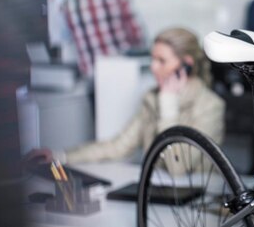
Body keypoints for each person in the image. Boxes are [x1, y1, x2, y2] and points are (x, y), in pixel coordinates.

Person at [28, 28, 225, 175]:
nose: (154, 67)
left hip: (197, 203)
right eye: (152, 59)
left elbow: (178, 168)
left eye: (162, 61)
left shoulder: (210, 106)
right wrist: (60, 156)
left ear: (187, 65)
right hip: (158, 192)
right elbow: (118, 146)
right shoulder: (152, 98)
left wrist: (168, 103)